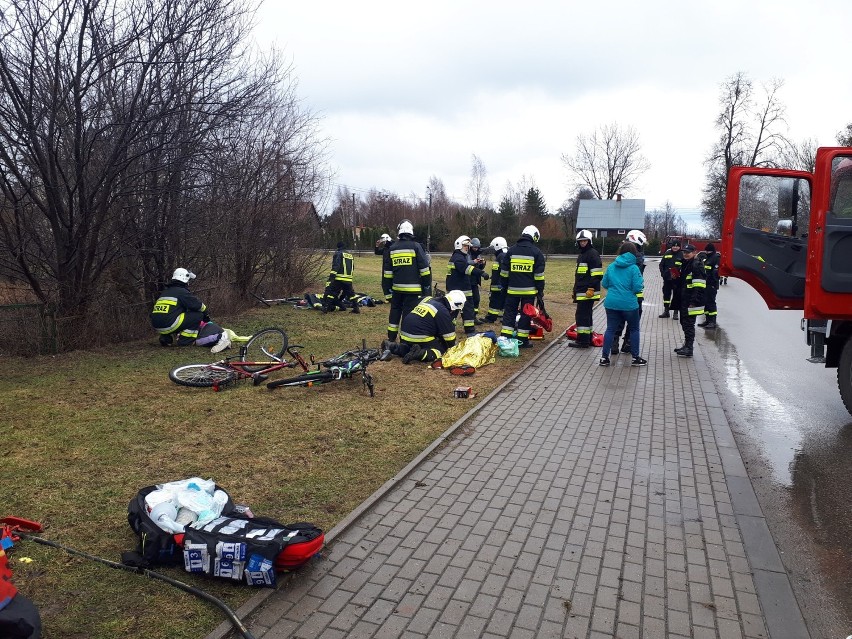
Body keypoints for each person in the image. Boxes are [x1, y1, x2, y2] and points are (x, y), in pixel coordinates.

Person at [150, 268, 230, 352]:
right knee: (197, 315)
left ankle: (165, 338)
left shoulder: (165, 292)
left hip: (157, 325)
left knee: (174, 315)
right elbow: (197, 305)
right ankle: (186, 340)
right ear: (184, 278)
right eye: (188, 280)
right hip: (169, 324)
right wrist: (205, 314)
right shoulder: (182, 292)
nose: (188, 283)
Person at [379, 290, 465, 364]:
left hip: (405, 334)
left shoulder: (428, 300)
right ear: (455, 307)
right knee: (441, 351)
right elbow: (449, 339)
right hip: (420, 336)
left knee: (409, 348)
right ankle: (420, 354)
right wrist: (454, 349)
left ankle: (392, 347)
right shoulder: (443, 311)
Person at [382, 220, 432, 342]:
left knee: (395, 312)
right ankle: (404, 339)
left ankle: (391, 337)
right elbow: (425, 269)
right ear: (411, 233)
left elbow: (387, 273)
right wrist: (426, 285)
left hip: (397, 290)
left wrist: (388, 290)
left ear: (400, 233)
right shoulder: (416, 246)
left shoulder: (392, 248)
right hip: (413, 291)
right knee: (408, 314)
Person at [599, 242, 646, 367]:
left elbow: (604, 284)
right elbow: (637, 288)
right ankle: (635, 357)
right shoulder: (634, 268)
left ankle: (604, 358)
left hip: (611, 303)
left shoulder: (612, 266)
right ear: (634, 253)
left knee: (610, 329)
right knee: (634, 329)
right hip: (629, 304)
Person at [500, 225, 545, 348]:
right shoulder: (537, 253)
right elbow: (539, 276)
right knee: (526, 315)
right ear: (534, 236)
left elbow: (504, 273)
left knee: (509, 313)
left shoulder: (511, 251)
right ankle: (522, 340)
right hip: (529, 292)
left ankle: (505, 339)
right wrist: (540, 291)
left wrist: (504, 287)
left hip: (512, 290)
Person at [611, 230, 647, 355]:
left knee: (619, 319)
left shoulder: (620, 258)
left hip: (620, 295)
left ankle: (614, 343)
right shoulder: (637, 258)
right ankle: (628, 343)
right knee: (633, 322)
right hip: (634, 296)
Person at [568, 229, 603, 348]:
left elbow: (597, 274)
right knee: (585, 315)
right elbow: (579, 276)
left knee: (582, 316)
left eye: (584, 241)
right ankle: (585, 339)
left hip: (588, 291)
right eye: (580, 241)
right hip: (582, 291)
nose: (582, 243)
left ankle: (583, 342)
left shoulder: (592, 254)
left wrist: (591, 288)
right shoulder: (582, 255)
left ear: (589, 241)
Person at [446, 235, 488, 335]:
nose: (467, 247)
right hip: (460, 291)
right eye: (465, 245)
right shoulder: (458, 258)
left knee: (460, 311)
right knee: (462, 311)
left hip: (459, 290)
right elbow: (467, 269)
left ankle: (465, 330)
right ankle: (466, 331)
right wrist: (481, 273)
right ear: (459, 245)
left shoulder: (459, 257)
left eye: (468, 246)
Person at [674, 244, 707, 357]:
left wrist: (693, 302)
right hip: (685, 299)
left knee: (688, 324)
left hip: (691, 301)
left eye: (688, 252)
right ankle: (687, 345)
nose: (685, 254)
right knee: (684, 323)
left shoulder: (696, 265)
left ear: (694, 252)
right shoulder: (686, 263)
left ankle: (689, 348)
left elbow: (699, 285)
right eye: (684, 252)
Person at [322, 242, 359, 314]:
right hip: (348, 278)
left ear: (338, 247)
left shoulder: (338, 253)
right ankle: (356, 308)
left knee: (332, 292)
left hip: (339, 278)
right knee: (351, 294)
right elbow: (352, 267)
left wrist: (331, 277)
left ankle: (326, 308)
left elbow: (336, 265)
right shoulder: (350, 255)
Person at [484, 236, 508, 322]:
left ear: (498, 246)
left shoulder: (501, 256)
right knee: (502, 301)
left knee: (494, 301)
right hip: (500, 284)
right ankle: (503, 316)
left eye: (494, 248)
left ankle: (491, 317)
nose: (493, 251)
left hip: (498, 285)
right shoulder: (504, 255)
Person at [658, 239, 683, 319]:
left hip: (677, 280)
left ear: (679, 247)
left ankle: (675, 313)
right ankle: (666, 311)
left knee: (676, 296)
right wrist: (663, 274)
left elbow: (684, 267)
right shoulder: (667, 253)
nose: (675, 247)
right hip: (667, 278)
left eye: (677, 246)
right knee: (666, 295)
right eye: (674, 246)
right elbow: (661, 265)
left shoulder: (682, 254)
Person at [698, 243, 720, 329]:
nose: (707, 252)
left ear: (712, 250)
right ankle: (707, 320)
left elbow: (716, 272)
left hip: (711, 285)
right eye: (706, 251)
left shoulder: (716, 258)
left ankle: (712, 322)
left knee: (711, 303)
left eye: (708, 251)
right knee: (706, 303)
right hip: (705, 284)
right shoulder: (707, 258)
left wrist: (712, 283)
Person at [468, 238, 488, 325]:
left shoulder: (478, 254)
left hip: (475, 280)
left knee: (477, 299)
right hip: (468, 280)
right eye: (474, 247)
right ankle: (469, 318)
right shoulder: (467, 254)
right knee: (469, 300)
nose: (476, 249)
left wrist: (482, 263)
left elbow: (479, 268)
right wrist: (474, 261)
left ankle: (474, 316)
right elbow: (466, 264)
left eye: (477, 247)